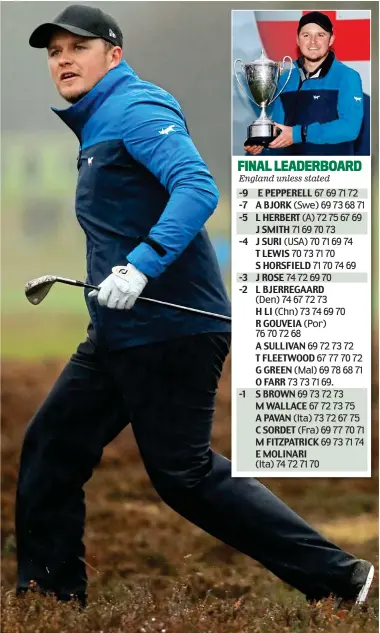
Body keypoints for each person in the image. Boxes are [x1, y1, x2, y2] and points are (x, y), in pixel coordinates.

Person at [16, 4, 374, 609]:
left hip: (172, 327)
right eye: (54, 53)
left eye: (77, 48)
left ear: (114, 54)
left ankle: (345, 579)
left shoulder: (136, 108)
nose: (63, 61)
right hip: (119, 331)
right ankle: (48, 598)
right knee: (52, 446)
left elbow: (197, 186)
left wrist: (141, 264)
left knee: (184, 476)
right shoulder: (101, 120)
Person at [246, 11, 365, 156]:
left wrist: (299, 134)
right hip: (292, 174)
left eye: (320, 35)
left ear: (331, 39)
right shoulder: (285, 79)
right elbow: (282, 131)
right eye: (306, 35)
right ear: (297, 40)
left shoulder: (347, 77)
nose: (313, 42)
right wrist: (263, 144)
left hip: (334, 173)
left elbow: (350, 129)